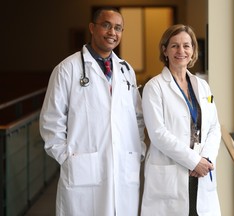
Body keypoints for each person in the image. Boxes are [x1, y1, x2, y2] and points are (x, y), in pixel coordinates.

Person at [39, 7, 146, 216]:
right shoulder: (67, 69)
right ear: (92, 28)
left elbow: (137, 117)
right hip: (82, 170)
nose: (112, 33)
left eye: (118, 28)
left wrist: (138, 150)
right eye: (106, 25)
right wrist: (67, 157)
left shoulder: (126, 70)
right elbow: (51, 121)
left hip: (124, 167)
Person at [140, 24, 221, 216]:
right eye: (174, 46)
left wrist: (206, 160)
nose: (181, 51)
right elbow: (158, 133)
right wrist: (193, 161)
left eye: (186, 45)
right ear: (165, 50)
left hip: (200, 171)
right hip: (173, 171)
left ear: (193, 50)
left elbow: (214, 127)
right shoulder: (155, 87)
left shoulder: (202, 85)